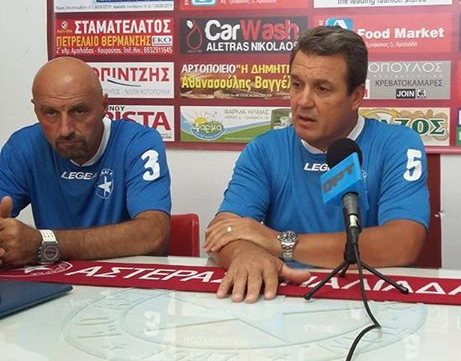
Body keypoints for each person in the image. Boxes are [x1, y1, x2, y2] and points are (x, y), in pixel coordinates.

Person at [204, 25, 430, 302]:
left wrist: (279, 242)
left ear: (356, 96)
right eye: (297, 84)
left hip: (370, 301)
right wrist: (245, 252)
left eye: (322, 89)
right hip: (284, 299)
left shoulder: (397, 143)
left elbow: (402, 244)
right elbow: (223, 229)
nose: (303, 101)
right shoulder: (265, 149)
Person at [0, 57, 171, 267]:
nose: (65, 129)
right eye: (50, 113)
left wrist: (44, 244)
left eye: (79, 111)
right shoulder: (23, 146)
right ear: (36, 110)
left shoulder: (137, 142)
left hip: (125, 280)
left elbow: (153, 236)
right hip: (52, 280)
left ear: (104, 106)